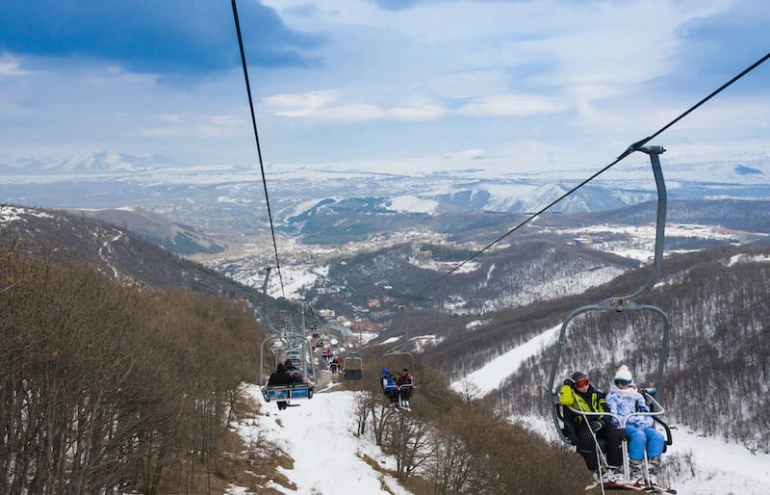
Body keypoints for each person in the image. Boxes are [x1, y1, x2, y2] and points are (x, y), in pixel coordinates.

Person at [559, 371, 623, 483]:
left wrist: (601, 422)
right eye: (580, 384)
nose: (584, 387)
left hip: (599, 423)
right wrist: (567, 386)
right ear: (575, 386)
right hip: (583, 425)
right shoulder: (573, 397)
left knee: (614, 433)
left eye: (586, 383)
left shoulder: (596, 395)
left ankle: (615, 468)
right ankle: (598, 470)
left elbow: (606, 411)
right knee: (586, 438)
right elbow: (565, 400)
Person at [605, 365, 665, 484]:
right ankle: (635, 468)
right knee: (639, 436)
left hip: (640, 424)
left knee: (657, 436)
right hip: (623, 425)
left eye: (624, 382)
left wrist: (644, 421)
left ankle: (652, 469)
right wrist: (633, 420)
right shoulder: (612, 396)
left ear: (630, 382)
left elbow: (646, 412)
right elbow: (614, 416)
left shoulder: (637, 396)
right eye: (618, 382)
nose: (621, 385)